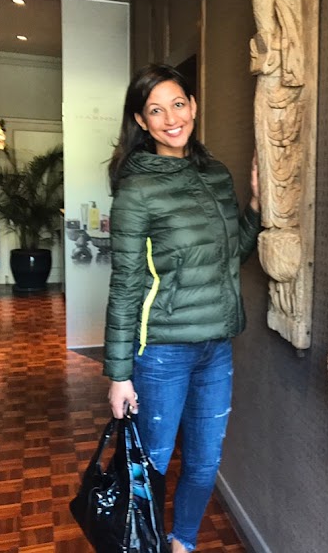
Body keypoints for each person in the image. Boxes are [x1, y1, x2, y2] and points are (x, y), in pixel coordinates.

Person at [104, 63, 261, 553]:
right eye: (156, 110)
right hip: (162, 352)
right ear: (141, 120)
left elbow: (231, 255)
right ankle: (146, 545)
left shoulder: (216, 174)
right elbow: (125, 284)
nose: (171, 118)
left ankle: (183, 543)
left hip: (216, 347)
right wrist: (119, 374)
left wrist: (256, 207)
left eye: (178, 104)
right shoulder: (137, 189)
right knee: (150, 464)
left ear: (193, 105)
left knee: (204, 463)